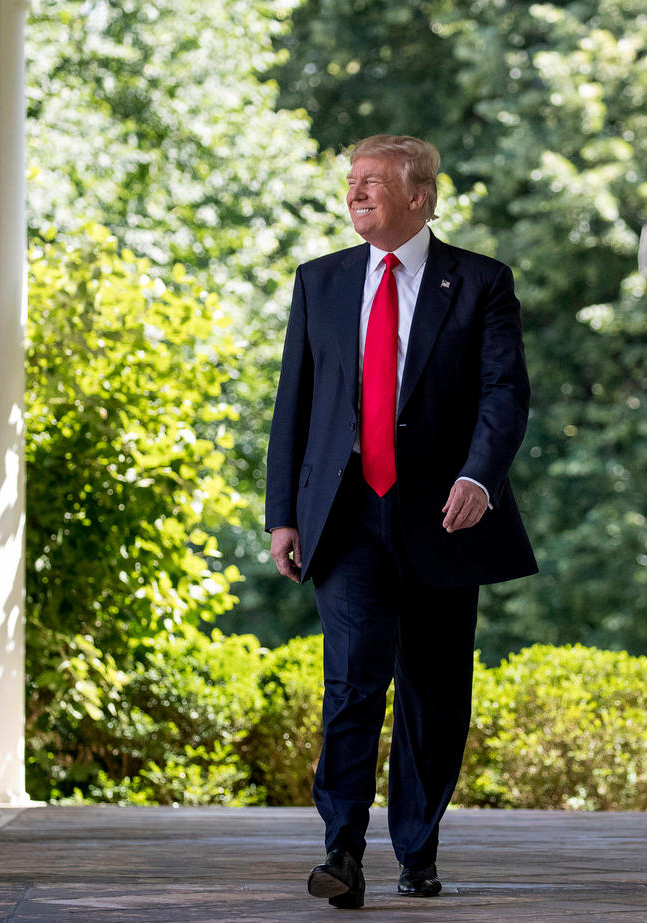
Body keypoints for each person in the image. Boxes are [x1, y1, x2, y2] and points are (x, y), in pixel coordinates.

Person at [265, 135, 537, 909]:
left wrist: (480, 474)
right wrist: (281, 512)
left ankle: (418, 850)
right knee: (352, 682)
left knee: (435, 692)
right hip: (346, 516)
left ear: (420, 196)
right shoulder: (319, 281)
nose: (356, 194)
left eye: (374, 183)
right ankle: (342, 852)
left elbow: (504, 394)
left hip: (448, 516)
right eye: (352, 182)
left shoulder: (481, 282)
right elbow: (296, 403)